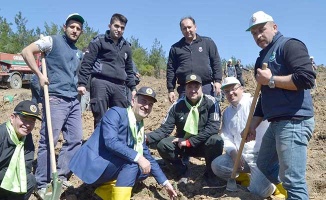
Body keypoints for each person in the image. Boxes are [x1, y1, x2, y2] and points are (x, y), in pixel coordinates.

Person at [246, 11, 315, 199]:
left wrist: (272, 80)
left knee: (293, 180)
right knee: (264, 166)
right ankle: (289, 184)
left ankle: (294, 187)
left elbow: (307, 79)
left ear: (274, 27)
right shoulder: (261, 59)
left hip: (294, 120)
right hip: (275, 123)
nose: (258, 35)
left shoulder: (290, 45)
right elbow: (264, 97)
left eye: (262, 29)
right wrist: (253, 125)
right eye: (254, 33)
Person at [69, 87, 177, 200]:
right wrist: (138, 158)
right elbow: (111, 142)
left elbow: (148, 157)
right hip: (93, 165)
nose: (146, 106)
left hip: (111, 164)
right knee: (133, 163)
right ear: (133, 100)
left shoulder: (138, 126)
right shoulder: (115, 113)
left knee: (145, 170)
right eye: (143, 101)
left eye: (150, 104)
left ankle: (103, 193)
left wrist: (165, 183)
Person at [21, 13, 85, 198]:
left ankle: (61, 175)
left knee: (75, 139)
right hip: (55, 98)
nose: (75, 30)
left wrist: (78, 87)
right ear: (65, 27)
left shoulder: (77, 51)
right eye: (72, 26)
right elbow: (26, 51)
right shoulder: (52, 41)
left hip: (73, 100)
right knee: (49, 140)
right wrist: (39, 75)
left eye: (78, 28)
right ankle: (42, 182)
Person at [211, 77, 284, 198]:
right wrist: (233, 153)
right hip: (241, 156)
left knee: (259, 192)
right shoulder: (227, 113)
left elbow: (272, 111)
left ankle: (272, 185)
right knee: (217, 166)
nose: (230, 93)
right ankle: (244, 178)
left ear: (241, 89)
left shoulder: (254, 103)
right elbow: (225, 136)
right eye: (226, 91)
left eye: (233, 89)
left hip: (261, 157)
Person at [146, 74, 224, 186]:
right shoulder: (177, 105)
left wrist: (190, 142)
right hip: (182, 145)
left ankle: (210, 174)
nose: (193, 90)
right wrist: (146, 138)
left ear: (201, 88)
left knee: (216, 140)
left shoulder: (211, 102)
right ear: (184, 89)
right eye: (189, 87)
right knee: (163, 145)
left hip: (203, 144)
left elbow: (213, 128)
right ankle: (182, 171)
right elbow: (165, 129)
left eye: (196, 87)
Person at [77, 13, 136, 127]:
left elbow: (129, 70)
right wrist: (82, 83)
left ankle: (117, 143)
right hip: (100, 82)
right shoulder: (99, 41)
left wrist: (133, 88)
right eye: (116, 26)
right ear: (110, 25)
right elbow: (87, 62)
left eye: (122, 28)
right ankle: (100, 144)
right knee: (100, 117)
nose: (119, 30)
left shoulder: (126, 47)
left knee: (122, 116)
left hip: (119, 85)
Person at [166, 16, 223, 103]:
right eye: (184, 28)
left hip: (205, 87)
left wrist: (218, 81)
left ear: (195, 27)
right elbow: (171, 70)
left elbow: (216, 62)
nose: (187, 30)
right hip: (185, 89)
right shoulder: (175, 48)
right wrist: (171, 89)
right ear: (181, 30)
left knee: (209, 114)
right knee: (185, 115)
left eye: (189, 27)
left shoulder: (207, 42)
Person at [0, 100, 41, 200]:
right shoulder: (2, 134)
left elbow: (26, 166)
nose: (27, 125)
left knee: (30, 180)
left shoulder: (27, 137)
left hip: (7, 182)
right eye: (24, 118)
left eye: (32, 121)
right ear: (12, 117)